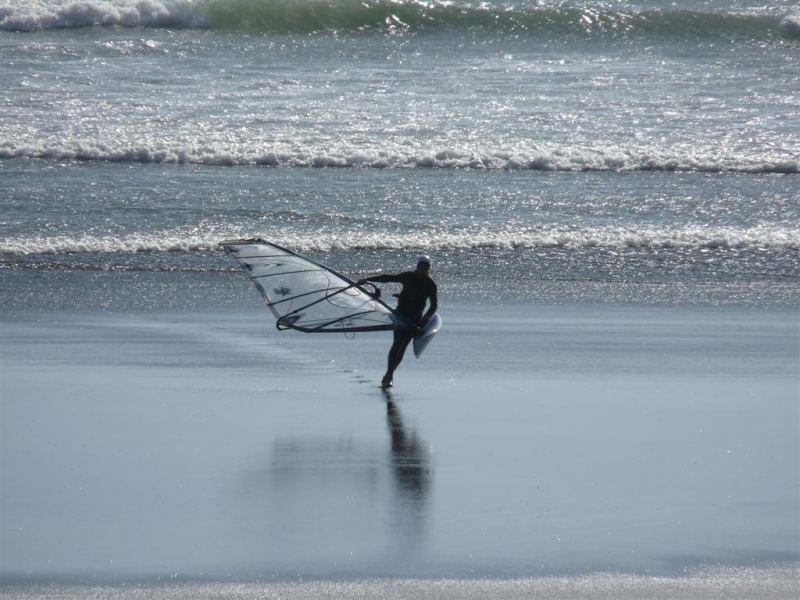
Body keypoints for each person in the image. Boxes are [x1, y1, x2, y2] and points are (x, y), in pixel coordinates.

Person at [358, 255, 438, 388]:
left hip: (414, 320)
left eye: (426, 268)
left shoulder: (430, 285)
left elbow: (434, 305)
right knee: (396, 344)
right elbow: (388, 278)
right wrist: (367, 279)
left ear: (428, 269)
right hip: (400, 315)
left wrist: (425, 318)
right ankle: (389, 374)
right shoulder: (408, 276)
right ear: (417, 267)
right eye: (421, 267)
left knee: (403, 347)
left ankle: (390, 373)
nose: (423, 270)